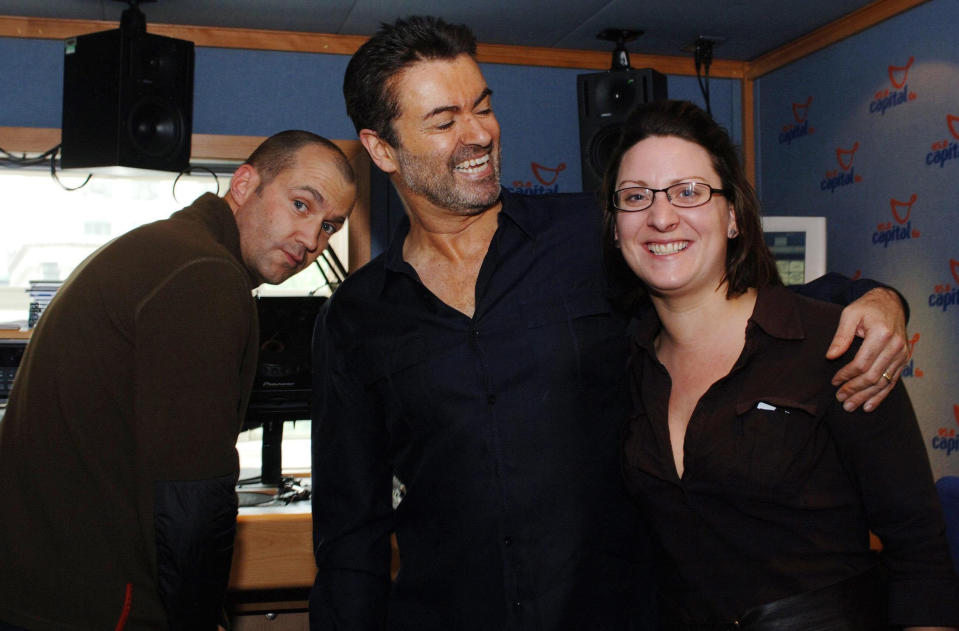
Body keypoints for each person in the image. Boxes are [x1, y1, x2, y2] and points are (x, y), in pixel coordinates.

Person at [310, 16, 909, 630]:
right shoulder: (355, 319)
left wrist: (872, 295)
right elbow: (349, 536)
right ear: (382, 148)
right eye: (444, 120)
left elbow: (733, 296)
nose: (479, 134)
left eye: (482, 106)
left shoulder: (587, 236)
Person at [608, 99, 959, 629]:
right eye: (636, 197)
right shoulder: (628, 367)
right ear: (615, 229)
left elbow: (921, 558)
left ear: (731, 217)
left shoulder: (834, 344)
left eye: (689, 192)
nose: (661, 216)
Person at [0, 130, 356, 631]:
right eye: (300, 205)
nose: (311, 240)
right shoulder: (204, 275)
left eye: (329, 227)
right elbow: (193, 498)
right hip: (100, 603)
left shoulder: (169, 249)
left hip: (44, 589)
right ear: (244, 182)